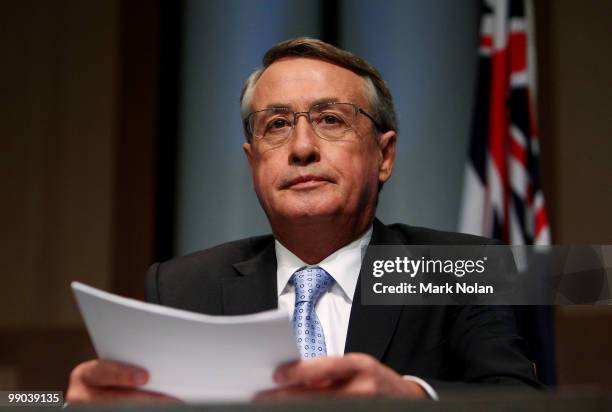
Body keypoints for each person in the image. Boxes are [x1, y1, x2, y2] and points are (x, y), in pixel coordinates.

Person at [66, 37, 541, 403]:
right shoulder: (184, 287)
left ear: (384, 155)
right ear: (253, 164)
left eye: (331, 119)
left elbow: (521, 401)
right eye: (276, 125)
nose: (301, 148)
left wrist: (410, 398)